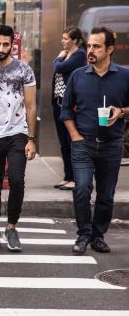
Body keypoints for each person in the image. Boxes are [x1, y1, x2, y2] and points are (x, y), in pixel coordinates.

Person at [60, 27, 129, 255]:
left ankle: (98, 236)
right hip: (83, 143)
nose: (90, 50)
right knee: (81, 189)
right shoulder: (78, 76)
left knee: (106, 196)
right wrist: (75, 137)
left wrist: (121, 112)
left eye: (96, 46)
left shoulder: (124, 76)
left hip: (111, 144)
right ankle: (83, 234)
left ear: (110, 49)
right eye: (89, 45)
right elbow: (66, 111)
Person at [0, 25, 37, 252]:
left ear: (12, 46)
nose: (2, 48)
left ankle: (12, 227)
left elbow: (32, 106)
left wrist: (31, 138)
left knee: (16, 180)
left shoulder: (24, 70)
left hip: (17, 132)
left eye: (6, 44)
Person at [52, 27, 87, 191]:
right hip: (58, 103)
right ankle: (67, 176)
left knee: (71, 141)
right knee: (64, 143)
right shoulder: (67, 55)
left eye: (66, 38)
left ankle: (75, 177)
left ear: (75, 40)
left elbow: (58, 68)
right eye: (62, 38)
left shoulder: (79, 55)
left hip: (70, 105)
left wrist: (58, 59)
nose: (62, 41)